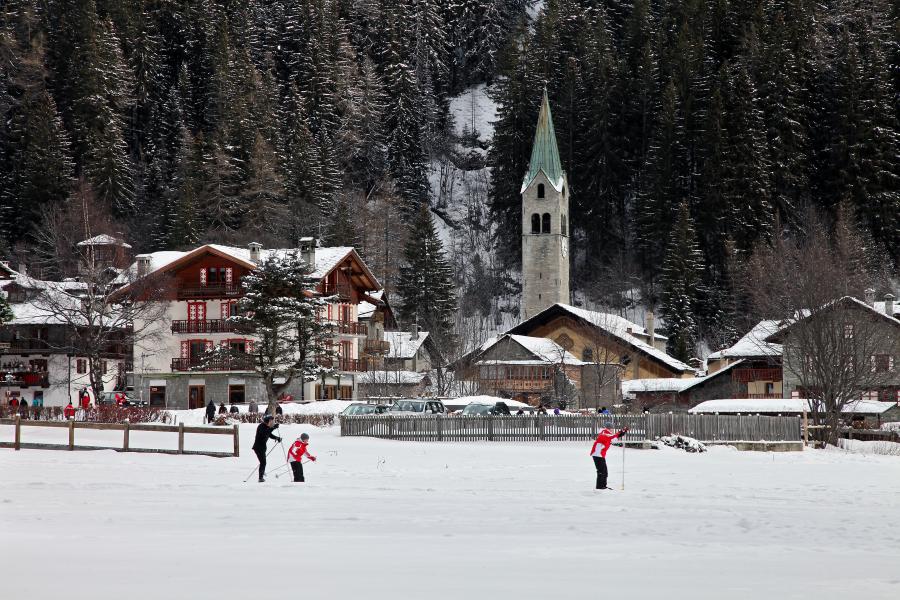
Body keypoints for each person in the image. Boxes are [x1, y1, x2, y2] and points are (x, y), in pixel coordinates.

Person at [590, 423, 628, 490]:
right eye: (612, 428)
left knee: (603, 471)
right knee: (602, 471)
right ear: (609, 428)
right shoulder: (605, 432)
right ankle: (600, 487)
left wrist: (621, 432)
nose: (613, 429)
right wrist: (621, 432)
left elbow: (613, 438)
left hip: (599, 454)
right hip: (598, 454)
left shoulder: (605, 432)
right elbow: (612, 438)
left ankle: (602, 486)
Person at [251, 415, 282, 482]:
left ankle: (262, 473)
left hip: (262, 447)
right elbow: (265, 433)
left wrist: (277, 438)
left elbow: (269, 435)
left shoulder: (267, 427)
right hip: (258, 447)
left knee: (263, 462)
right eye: (271, 421)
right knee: (263, 462)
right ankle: (260, 478)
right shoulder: (261, 426)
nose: (272, 422)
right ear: (267, 421)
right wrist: (273, 428)